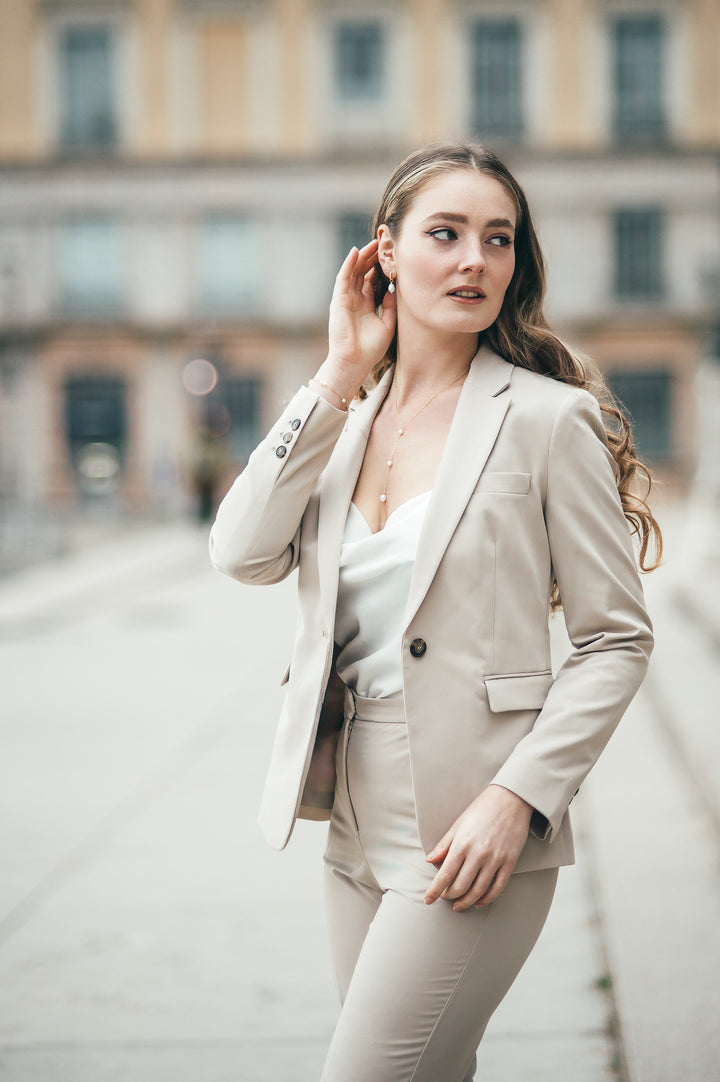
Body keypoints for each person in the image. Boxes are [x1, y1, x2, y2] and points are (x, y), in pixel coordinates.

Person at [209, 143, 661, 1082]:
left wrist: (522, 799)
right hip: (349, 819)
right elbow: (241, 550)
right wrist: (337, 374)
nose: (475, 262)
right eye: (446, 234)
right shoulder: (347, 422)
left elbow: (616, 637)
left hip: (472, 825)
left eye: (499, 240)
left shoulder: (545, 419)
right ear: (384, 254)